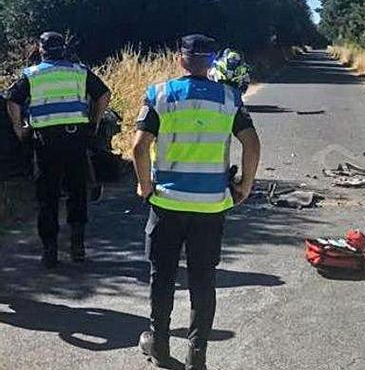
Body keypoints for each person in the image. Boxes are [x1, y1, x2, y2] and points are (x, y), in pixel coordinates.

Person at [132, 34, 261, 370]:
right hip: (211, 206)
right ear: (211, 63)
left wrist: (145, 185)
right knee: (203, 279)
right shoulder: (230, 98)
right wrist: (244, 186)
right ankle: (197, 356)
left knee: (161, 277)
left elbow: (138, 147)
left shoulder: (159, 94)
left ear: (180, 59)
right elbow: (252, 144)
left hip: (168, 203)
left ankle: (159, 346)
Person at [5, 32, 111, 268]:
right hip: (75, 139)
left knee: (48, 195)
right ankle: (77, 245)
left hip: (45, 143)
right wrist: (94, 121)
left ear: (41, 50)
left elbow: (12, 100)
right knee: (77, 191)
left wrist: (19, 129)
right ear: (63, 49)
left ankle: (50, 250)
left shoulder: (31, 75)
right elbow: (104, 94)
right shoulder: (78, 71)